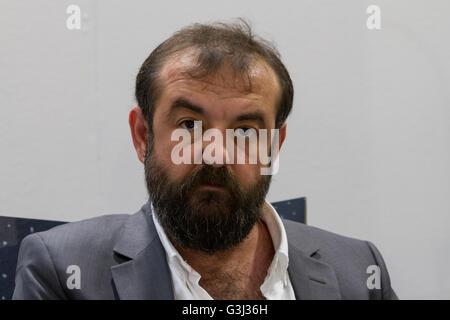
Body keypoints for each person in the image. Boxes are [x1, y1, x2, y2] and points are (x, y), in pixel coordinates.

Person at [13, 20, 397, 300]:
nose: (215, 153)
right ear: (143, 136)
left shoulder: (360, 270)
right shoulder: (62, 269)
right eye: (189, 125)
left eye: (245, 131)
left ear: (273, 145)